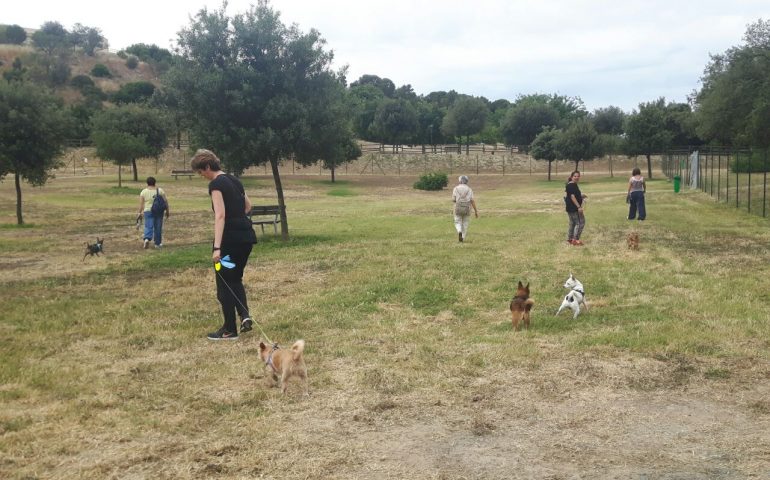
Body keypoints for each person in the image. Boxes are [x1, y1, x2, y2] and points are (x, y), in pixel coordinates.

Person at [191, 149, 257, 341]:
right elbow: (248, 206)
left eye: (201, 171)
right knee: (235, 278)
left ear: (208, 166)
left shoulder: (216, 184)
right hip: (246, 239)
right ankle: (244, 316)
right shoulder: (235, 180)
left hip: (228, 243)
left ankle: (229, 330)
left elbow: (220, 215)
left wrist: (217, 248)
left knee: (223, 284)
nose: (201, 175)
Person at [138, 176, 170, 249]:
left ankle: (147, 238)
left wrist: (139, 212)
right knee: (158, 227)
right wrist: (167, 211)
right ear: (155, 183)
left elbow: (141, 204)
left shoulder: (143, 192)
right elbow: (165, 202)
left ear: (147, 183)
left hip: (147, 211)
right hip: (158, 211)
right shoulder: (160, 190)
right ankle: (157, 243)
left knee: (148, 225)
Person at [451, 175, 479, 242]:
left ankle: (459, 231)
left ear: (459, 180)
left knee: (457, 221)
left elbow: (453, 200)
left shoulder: (456, 188)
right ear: (467, 181)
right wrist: (476, 211)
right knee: (465, 223)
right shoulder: (469, 189)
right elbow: (472, 201)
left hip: (458, 208)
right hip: (467, 208)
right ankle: (462, 237)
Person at [565, 170, 587, 246]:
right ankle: (575, 239)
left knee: (572, 223)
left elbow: (573, 194)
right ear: (571, 177)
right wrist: (579, 207)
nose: (577, 177)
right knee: (580, 222)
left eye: (578, 176)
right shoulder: (571, 185)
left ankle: (570, 239)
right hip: (574, 208)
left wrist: (581, 196)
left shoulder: (572, 185)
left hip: (570, 208)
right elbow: (572, 196)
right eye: (575, 176)